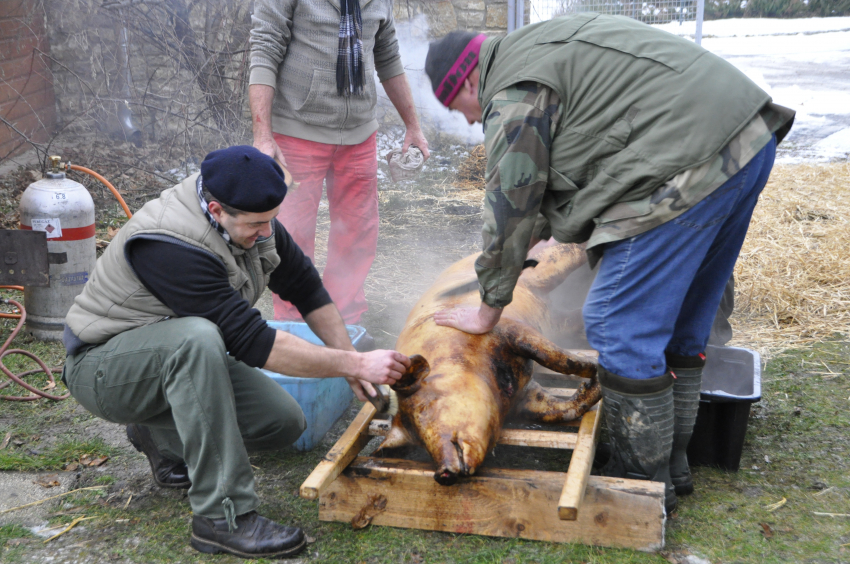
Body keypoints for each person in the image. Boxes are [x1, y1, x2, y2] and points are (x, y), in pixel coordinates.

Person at [424, 15, 794, 513]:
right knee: (684, 319)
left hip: (689, 163)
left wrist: (489, 306)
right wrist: (534, 240)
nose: (470, 121)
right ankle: (674, 468)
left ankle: (637, 482)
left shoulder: (510, 90)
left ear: (467, 79)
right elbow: (585, 149)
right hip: (746, 139)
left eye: (460, 108)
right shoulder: (542, 47)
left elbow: (511, 199)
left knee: (616, 323)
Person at [62, 146, 411, 559]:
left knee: (281, 423)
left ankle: (157, 434)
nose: (268, 232)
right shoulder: (170, 243)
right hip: (103, 368)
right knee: (197, 337)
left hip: (167, 359)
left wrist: (349, 358)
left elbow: (306, 289)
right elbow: (255, 344)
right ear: (215, 209)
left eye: (271, 221)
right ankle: (223, 518)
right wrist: (354, 363)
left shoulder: (249, 214)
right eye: (258, 225)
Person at [249, 0, 430, 324]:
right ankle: (295, 325)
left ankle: (345, 322)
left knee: (358, 233)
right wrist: (263, 134)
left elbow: (388, 58)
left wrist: (413, 126)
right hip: (297, 131)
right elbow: (264, 50)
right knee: (291, 237)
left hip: (359, 135)